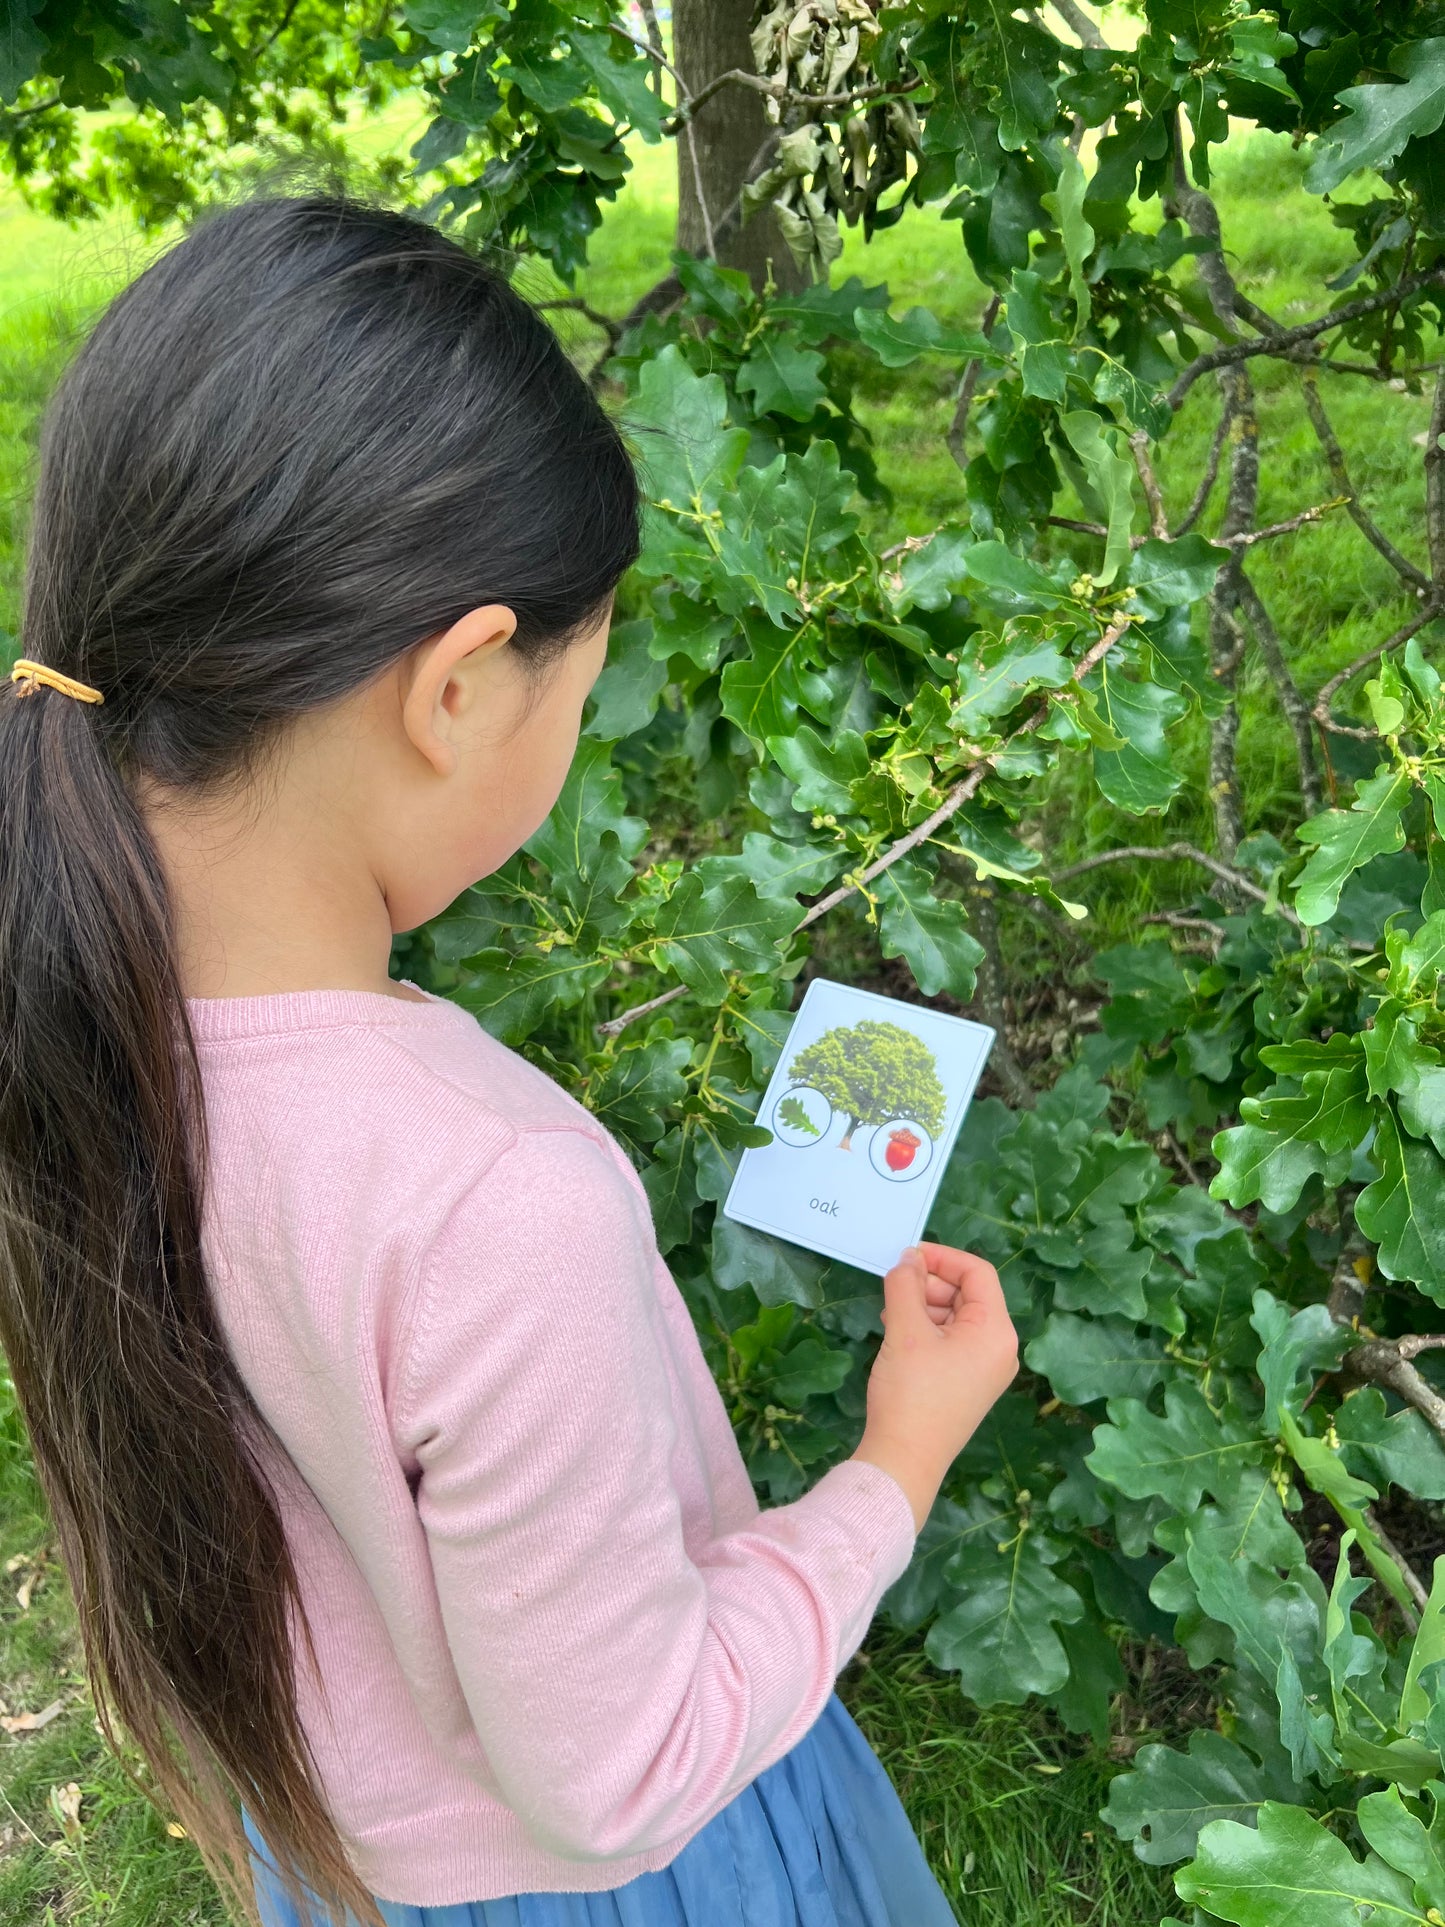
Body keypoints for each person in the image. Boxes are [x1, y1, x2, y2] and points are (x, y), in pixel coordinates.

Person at [0, 195, 1020, 1927]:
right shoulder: (489, 1198)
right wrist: (894, 1468)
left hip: (340, 1859)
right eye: (579, 692)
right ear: (463, 685)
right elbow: (617, 1774)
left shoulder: (62, 994)